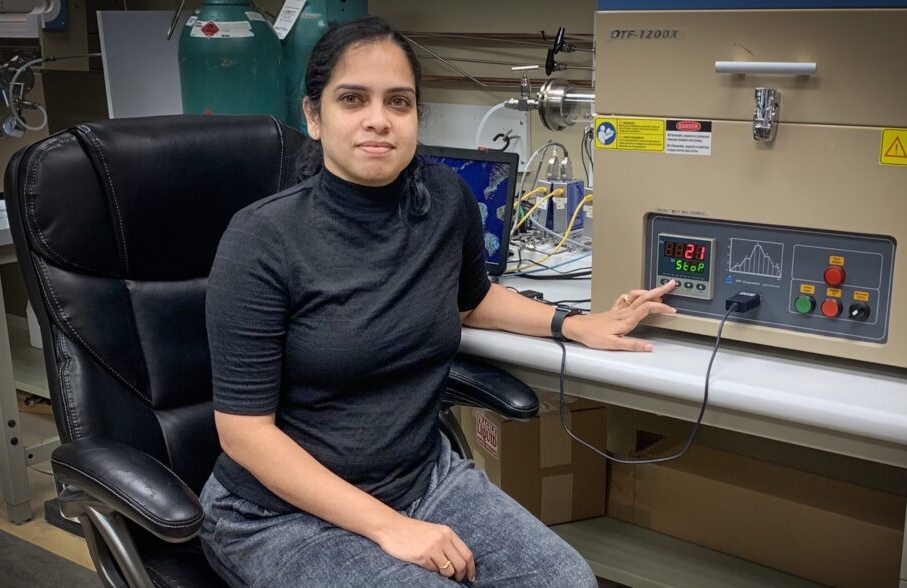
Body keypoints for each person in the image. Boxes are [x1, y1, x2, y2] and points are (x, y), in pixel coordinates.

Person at [198, 16, 678, 587]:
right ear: (313, 116)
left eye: (398, 102)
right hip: (276, 515)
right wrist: (390, 527)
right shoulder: (262, 238)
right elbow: (244, 433)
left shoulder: (444, 200)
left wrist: (573, 324)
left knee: (566, 580)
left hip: (420, 480)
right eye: (352, 99)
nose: (378, 119)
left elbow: (472, 300)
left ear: (416, 116)